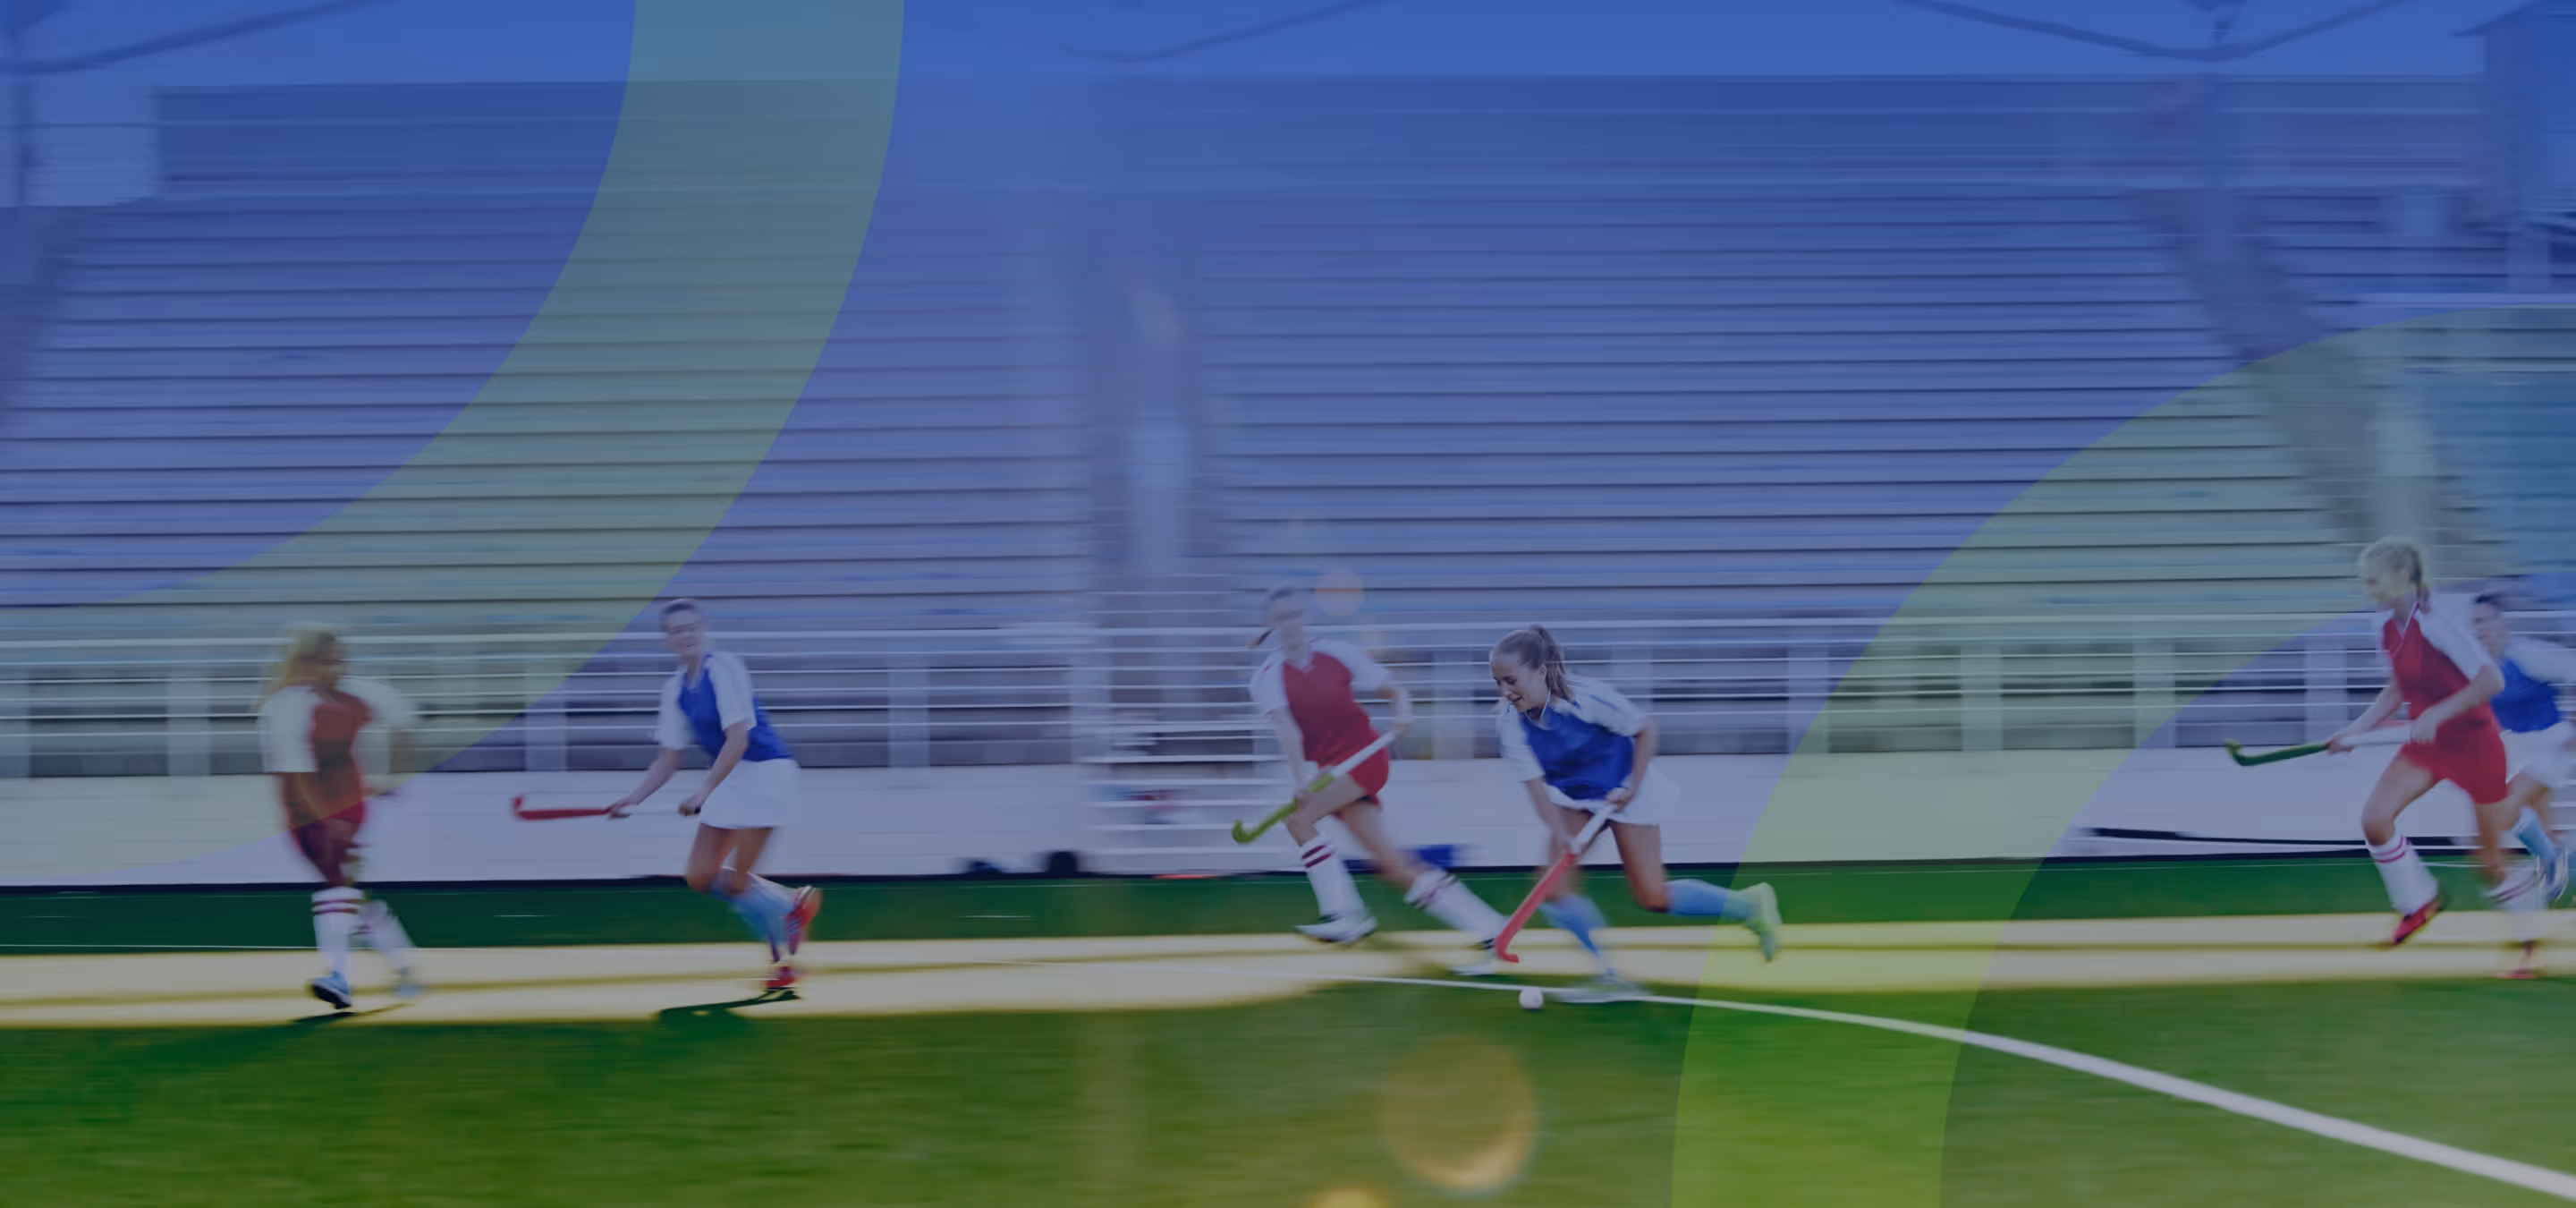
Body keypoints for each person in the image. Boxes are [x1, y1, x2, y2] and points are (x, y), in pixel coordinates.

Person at [1487, 625, 1780, 1002]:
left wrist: (1631, 787)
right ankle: (1609, 976)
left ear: (1540, 671)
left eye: (1511, 680)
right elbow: (1533, 784)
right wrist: (1557, 831)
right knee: (1553, 886)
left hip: (1627, 786)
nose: (1505, 692)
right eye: (1498, 683)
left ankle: (1749, 907)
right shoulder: (1510, 724)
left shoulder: (1587, 698)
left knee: (1653, 896)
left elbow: (1644, 730)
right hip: (1576, 797)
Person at [1250, 585, 1510, 957]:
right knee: (1392, 866)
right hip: (1328, 769)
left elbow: (1393, 689)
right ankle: (1488, 925)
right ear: (1272, 624)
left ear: (1305, 617)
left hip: (1363, 756)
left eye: (1295, 615)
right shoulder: (1266, 676)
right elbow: (1288, 731)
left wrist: (1402, 710)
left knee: (1298, 821)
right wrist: (1299, 781)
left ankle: (1346, 914)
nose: (1290, 624)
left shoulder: (1336, 652)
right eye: (1282, 618)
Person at [2325, 540, 2545, 973]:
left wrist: (2441, 712)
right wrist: (2354, 731)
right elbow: (2398, 689)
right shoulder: (2384, 626)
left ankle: (2526, 943)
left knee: (2487, 860)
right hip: (2429, 746)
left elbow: (2491, 680)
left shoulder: (2438, 624)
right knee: (2375, 819)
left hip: (2476, 745)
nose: (2367, 588)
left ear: (2403, 577)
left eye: (2374, 580)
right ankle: (2418, 901)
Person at [610, 600, 820, 990]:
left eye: (692, 628)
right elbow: (668, 757)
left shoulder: (724, 668)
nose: (686, 635)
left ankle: (785, 965)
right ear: (667, 640)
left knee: (740, 884)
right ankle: (791, 904)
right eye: (677, 630)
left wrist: (703, 792)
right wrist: (633, 798)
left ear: (703, 632)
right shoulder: (674, 689)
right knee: (701, 876)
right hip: (729, 777)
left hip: (765, 773)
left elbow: (738, 740)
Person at [256, 624, 423, 1010]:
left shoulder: (357, 694)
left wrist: (392, 777)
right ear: (308, 664)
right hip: (303, 808)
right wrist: (322, 819)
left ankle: (337, 978)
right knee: (347, 892)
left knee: (334, 884)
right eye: (329, 662)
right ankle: (404, 967)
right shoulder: (286, 706)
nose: (339, 669)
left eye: (341, 661)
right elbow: (297, 778)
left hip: (345, 804)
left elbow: (405, 717)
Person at [2470, 590, 2572, 905]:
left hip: (2552, 744)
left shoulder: (2529, 655)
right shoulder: (2476, 666)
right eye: (2474, 623)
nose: (2479, 628)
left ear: (2503, 623)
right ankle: (2555, 863)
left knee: (2505, 810)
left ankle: (2550, 858)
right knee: (2540, 824)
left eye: (2485, 620)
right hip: (2515, 748)